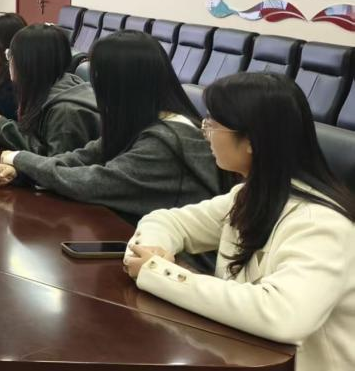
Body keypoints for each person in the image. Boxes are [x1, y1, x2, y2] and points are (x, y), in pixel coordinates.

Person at [125, 73, 354, 371]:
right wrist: (154, 250)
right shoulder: (250, 195)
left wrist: (160, 273)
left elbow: (283, 315)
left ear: (250, 141)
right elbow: (168, 221)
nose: (205, 132)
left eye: (213, 124)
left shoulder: (322, 224)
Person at [0, 30, 222, 220]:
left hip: (180, 255)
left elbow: (92, 182)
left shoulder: (165, 142)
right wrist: (23, 171)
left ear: (118, 86)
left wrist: (19, 158)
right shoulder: (142, 122)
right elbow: (80, 157)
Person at [0, 24, 99, 156]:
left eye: (11, 55)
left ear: (29, 62)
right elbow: (41, 145)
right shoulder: (52, 86)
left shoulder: (65, 112)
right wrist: (5, 127)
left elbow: (54, 162)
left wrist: (5, 129)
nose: (9, 61)